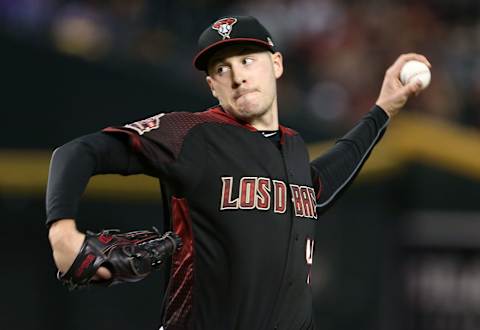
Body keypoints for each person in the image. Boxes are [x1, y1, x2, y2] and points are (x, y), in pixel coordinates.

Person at [46, 15, 430, 330]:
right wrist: (62, 229)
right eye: (222, 68)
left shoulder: (294, 146)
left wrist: (382, 110)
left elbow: (320, 187)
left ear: (275, 65)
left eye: (247, 60)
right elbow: (78, 152)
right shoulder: (191, 134)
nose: (238, 76)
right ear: (213, 85)